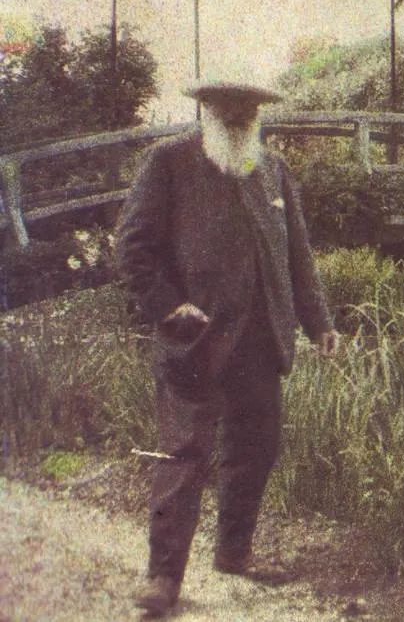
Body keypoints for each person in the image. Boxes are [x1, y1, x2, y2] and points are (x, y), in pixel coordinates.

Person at [115, 83, 335, 617]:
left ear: (258, 114)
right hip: (195, 339)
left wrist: (318, 322)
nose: (238, 116)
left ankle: (234, 553)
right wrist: (169, 306)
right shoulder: (168, 163)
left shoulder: (274, 170)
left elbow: (296, 255)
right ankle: (163, 578)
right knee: (183, 456)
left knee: (254, 450)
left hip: (261, 341)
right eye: (227, 107)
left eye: (248, 109)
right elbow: (133, 248)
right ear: (206, 110)